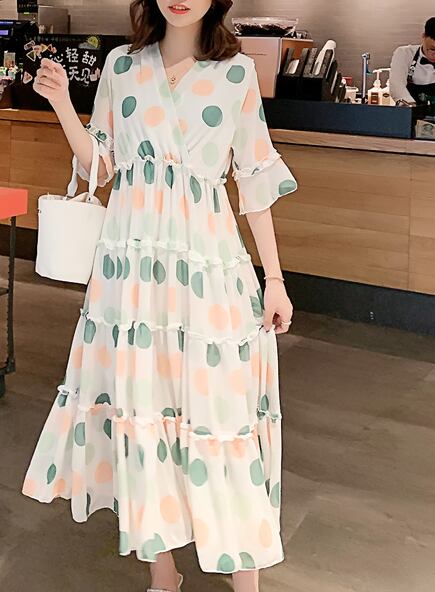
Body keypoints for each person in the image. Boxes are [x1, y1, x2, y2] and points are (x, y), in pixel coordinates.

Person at [21, 1, 297, 591]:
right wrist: (62, 103)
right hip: (132, 272)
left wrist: (274, 279)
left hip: (208, 269)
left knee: (221, 414)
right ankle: (163, 574)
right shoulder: (123, 66)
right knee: (140, 410)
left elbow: (255, 181)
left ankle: (245, 581)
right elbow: (101, 165)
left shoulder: (235, 73)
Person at [390, 16, 435, 106]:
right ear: (423, 37)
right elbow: (397, 85)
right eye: (432, 49)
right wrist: (410, 107)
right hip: (409, 111)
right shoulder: (404, 54)